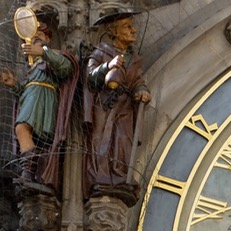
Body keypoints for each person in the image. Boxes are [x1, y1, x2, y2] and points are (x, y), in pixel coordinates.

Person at [0, 22, 76, 190]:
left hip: (44, 104)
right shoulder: (32, 67)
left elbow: (67, 68)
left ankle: (28, 172)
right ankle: (29, 174)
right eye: (31, 39)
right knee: (24, 131)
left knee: (21, 128)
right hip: (32, 102)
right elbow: (26, 93)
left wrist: (44, 52)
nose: (34, 41)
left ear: (48, 38)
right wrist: (14, 85)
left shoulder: (52, 56)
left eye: (38, 37)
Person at [84, 11, 151, 201]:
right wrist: (107, 66)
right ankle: (101, 176)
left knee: (123, 140)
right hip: (104, 103)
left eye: (132, 26)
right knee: (101, 139)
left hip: (125, 105)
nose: (133, 30)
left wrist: (142, 90)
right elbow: (89, 77)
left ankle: (120, 175)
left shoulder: (134, 59)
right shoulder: (100, 52)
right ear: (114, 32)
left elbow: (137, 80)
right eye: (127, 27)